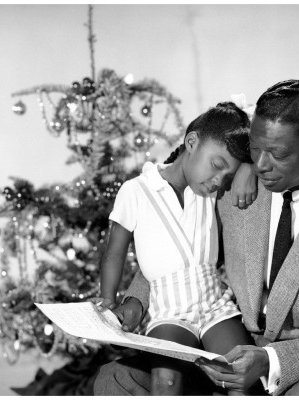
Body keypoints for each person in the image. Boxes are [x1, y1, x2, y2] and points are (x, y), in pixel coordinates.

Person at [94, 80, 299, 396]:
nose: (261, 165)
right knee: (116, 379)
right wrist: (138, 298)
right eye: (255, 149)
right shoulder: (230, 187)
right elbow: (182, 249)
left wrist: (271, 360)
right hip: (225, 341)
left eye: (277, 153)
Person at [90, 101, 258, 396]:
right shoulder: (136, 191)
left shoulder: (209, 191)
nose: (219, 180)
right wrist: (107, 299)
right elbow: (114, 252)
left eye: (227, 176)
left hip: (213, 302)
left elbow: (256, 145)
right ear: (191, 142)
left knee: (236, 373)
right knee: (166, 382)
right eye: (217, 166)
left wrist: (247, 167)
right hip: (169, 308)